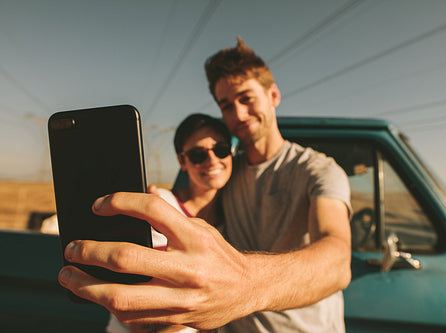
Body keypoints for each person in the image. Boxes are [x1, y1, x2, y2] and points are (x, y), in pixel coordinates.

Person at [57, 37, 352, 332]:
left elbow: (336, 259)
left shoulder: (317, 169)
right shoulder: (225, 176)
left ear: (273, 94)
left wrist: (244, 285)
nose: (238, 114)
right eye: (226, 105)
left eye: (246, 98)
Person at [107, 113, 233, 333]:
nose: (212, 160)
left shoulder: (234, 217)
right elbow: (138, 305)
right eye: (197, 155)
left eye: (221, 149)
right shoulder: (161, 206)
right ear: (182, 162)